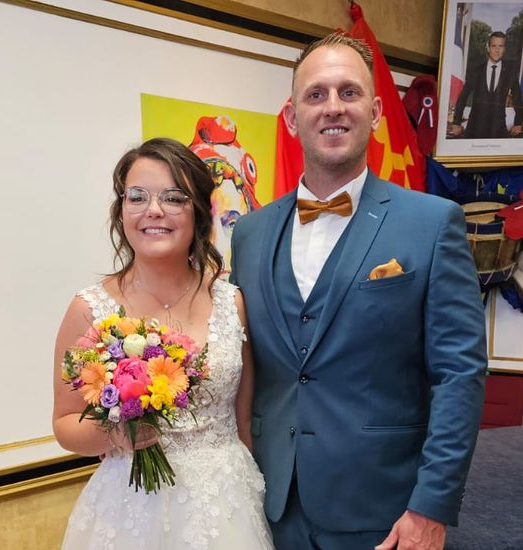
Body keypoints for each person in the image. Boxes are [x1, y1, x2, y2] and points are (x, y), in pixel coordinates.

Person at [230, 33, 487, 550]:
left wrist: (430, 507)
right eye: (316, 94)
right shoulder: (249, 232)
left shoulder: (433, 223)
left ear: (374, 113)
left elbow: (459, 374)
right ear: (291, 116)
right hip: (266, 502)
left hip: (385, 513)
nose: (333, 108)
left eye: (349, 93)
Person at [53, 137, 274, 549]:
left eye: (173, 198)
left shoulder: (232, 301)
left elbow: (243, 421)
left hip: (227, 504)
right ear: (121, 211)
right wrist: (120, 434)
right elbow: (66, 424)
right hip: (132, 508)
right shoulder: (89, 309)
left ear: (199, 213)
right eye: (137, 197)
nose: (153, 211)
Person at [450, 31, 523, 139]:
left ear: (505, 48)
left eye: (501, 46)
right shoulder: (476, 69)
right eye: (494, 46)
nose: (497, 50)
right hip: (474, 129)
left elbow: (518, 98)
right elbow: (463, 96)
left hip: (498, 130)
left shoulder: (510, 72)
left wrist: (518, 123)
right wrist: (456, 122)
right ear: (488, 47)